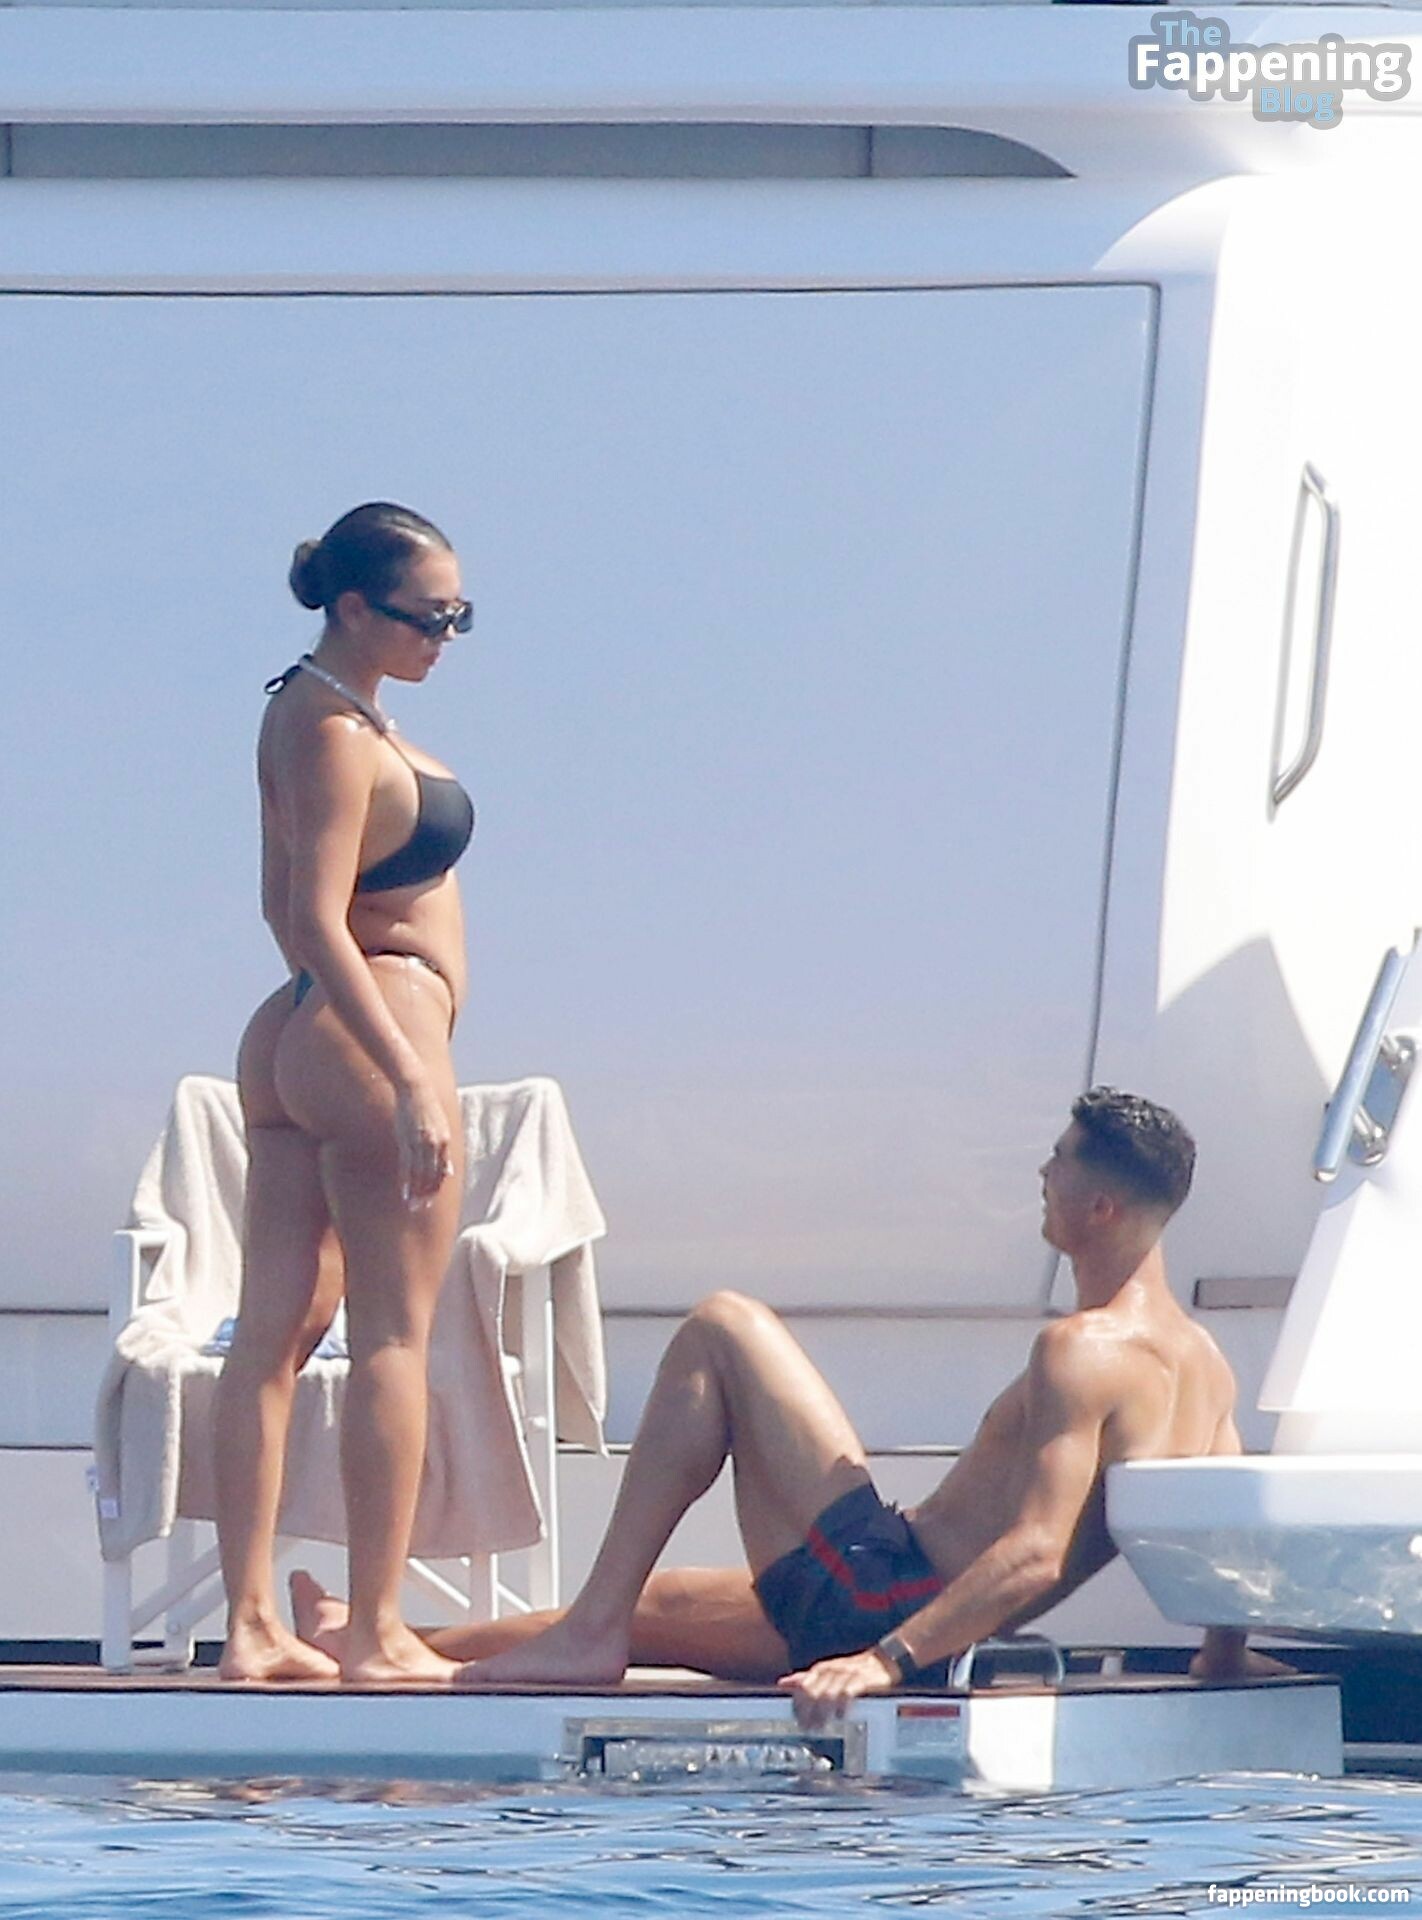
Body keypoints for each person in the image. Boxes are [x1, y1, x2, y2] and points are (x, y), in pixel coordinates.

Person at [292, 1088, 1283, 1713]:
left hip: (891, 1604)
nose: (1043, 1171)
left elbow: (1033, 1550)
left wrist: (886, 1662)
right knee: (662, 1610)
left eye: (1058, 1160)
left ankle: (579, 1631)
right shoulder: (1204, 1367)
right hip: (901, 1591)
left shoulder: (1082, 1349)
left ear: (1099, 1207)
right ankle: (389, 1643)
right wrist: (1222, 1660)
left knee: (723, 1326)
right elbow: (1220, 1534)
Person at [213, 501, 477, 1685]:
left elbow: (285, 912)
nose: (446, 638)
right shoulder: (328, 727)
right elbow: (313, 914)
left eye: (461, 617)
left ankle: (250, 1628)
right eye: (429, 618)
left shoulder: (312, 711)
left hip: (301, 1032)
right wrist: (408, 1069)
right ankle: (375, 1631)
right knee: (393, 1340)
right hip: (374, 1023)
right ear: (356, 607)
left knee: (273, 1338)